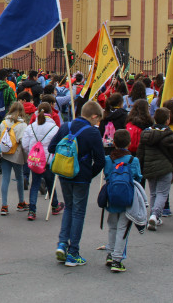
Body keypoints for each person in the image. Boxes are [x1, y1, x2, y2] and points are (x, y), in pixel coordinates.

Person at [50, 100, 105, 267]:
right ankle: (73, 252)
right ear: (94, 116)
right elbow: (100, 160)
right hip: (81, 176)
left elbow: (52, 147)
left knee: (69, 207)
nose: (98, 123)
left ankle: (62, 243)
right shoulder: (93, 132)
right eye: (98, 119)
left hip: (64, 173)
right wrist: (90, 174)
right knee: (78, 212)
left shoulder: (65, 126)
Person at [137, 108, 173, 231]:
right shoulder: (169, 134)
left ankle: (153, 216)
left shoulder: (146, 134)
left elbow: (140, 152)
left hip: (149, 167)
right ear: (167, 120)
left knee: (153, 193)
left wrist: (140, 167)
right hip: (165, 167)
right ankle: (155, 215)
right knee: (162, 193)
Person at [103, 129, 142, 273]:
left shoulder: (108, 159)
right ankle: (117, 259)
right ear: (129, 143)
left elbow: (107, 174)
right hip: (127, 197)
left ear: (114, 143)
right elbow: (138, 177)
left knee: (112, 225)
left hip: (112, 196)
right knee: (122, 228)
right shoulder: (133, 160)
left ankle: (110, 252)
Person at [22, 102, 61, 220]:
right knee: (50, 183)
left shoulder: (31, 127)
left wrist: (31, 152)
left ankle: (32, 210)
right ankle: (54, 205)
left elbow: (25, 144)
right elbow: (58, 145)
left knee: (35, 183)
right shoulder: (55, 128)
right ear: (51, 112)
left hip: (35, 159)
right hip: (48, 160)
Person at [0, 102, 29, 215]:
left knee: (5, 178)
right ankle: (21, 202)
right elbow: (23, 141)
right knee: (19, 177)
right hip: (17, 154)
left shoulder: (3, 122)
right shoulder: (23, 125)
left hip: (5, 153)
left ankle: (4, 205)